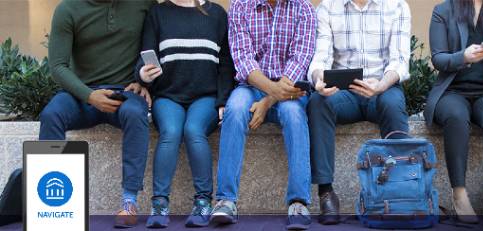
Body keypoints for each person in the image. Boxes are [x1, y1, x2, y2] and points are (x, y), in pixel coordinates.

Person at [39, 0, 156, 228]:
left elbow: (155, 43)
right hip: (81, 95)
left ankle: (129, 201)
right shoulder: (67, 9)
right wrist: (89, 96)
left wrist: (144, 82)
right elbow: (58, 66)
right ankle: (51, 206)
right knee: (51, 114)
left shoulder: (143, 3)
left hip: (124, 92)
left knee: (135, 113)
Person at [210, 0, 316, 230]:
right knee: (235, 110)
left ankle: (298, 202)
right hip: (250, 86)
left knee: (294, 116)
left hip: (290, 90)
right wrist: (270, 91)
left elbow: (300, 60)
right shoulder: (240, 5)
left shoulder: (303, 7)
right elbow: (243, 59)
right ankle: (226, 200)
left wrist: (268, 101)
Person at [307, 0, 411, 225]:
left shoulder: (397, 6)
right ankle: (326, 192)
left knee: (393, 104)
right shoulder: (327, 7)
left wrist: (381, 85)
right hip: (344, 94)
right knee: (318, 102)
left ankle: (403, 192)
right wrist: (318, 79)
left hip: (383, 89)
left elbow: (400, 61)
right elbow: (320, 57)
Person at [134, 0, 234, 228]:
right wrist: (144, 74)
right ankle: (159, 204)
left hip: (206, 97)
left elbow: (226, 63)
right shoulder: (158, 13)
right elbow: (144, 56)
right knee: (170, 131)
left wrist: (223, 99)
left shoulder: (216, 13)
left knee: (193, 130)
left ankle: (203, 202)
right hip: (168, 95)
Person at [425, 0, 483, 227]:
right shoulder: (443, 10)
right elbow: (438, 57)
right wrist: (463, 57)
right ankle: (459, 194)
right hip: (452, 91)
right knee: (456, 117)